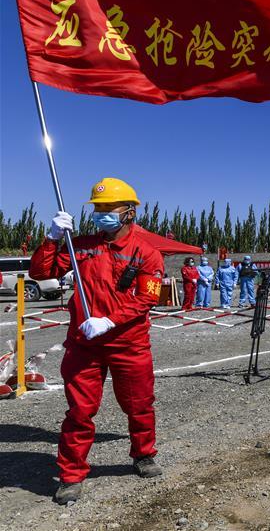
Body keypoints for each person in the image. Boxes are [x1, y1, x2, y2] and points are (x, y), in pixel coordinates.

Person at [28, 178, 164, 505]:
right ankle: (71, 475)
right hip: (84, 345)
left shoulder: (147, 253)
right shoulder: (80, 246)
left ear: (129, 212)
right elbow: (41, 272)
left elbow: (148, 298)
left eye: (108, 207)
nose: (101, 212)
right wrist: (52, 238)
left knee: (139, 405)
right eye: (97, 207)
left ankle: (143, 454)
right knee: (79, 411)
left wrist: (109, 320)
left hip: (128, 344)